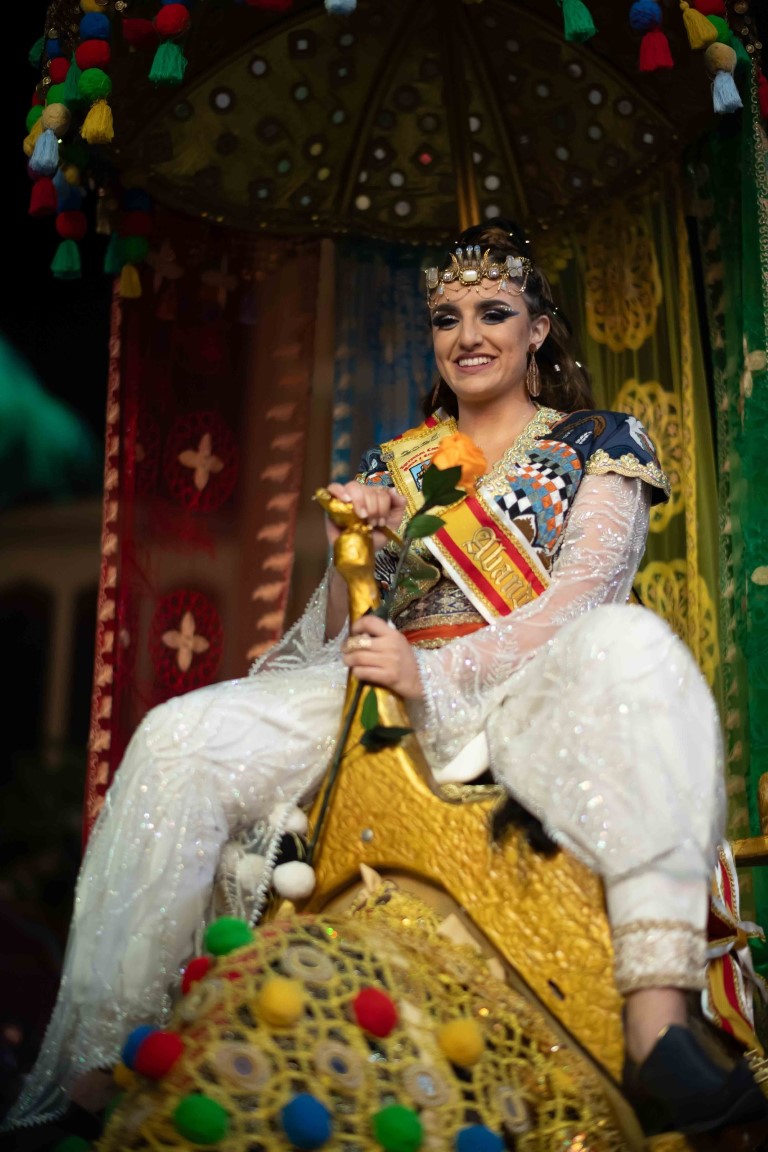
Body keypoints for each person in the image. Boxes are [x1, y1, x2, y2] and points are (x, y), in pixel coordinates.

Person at [3, 218, 767, 1143]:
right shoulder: (400, 462)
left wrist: (433, 671)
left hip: (527, 691)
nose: (468, 336)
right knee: (176, 737)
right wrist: (353, 543)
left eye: (494, 313)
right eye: (447, 318)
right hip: (387, 686)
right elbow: (336, 635)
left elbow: (581, 600)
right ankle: (113, 1061)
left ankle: (659, 1030)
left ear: (538, 330)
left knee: (631, 640)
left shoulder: (597, 441)